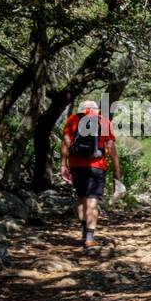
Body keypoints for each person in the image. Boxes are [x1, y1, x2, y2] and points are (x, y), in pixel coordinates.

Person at [60, 99, 120, 249]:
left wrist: (63, 165)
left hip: (76, 165)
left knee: (81, 198)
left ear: (82, 109)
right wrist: (116, 169)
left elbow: (66, 142)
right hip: (97, 166)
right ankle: (89, 238)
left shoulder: (73, 119)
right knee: (92, 200)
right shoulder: (103, 121)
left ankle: (83, 232)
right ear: (97, 110)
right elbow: (110, 147)